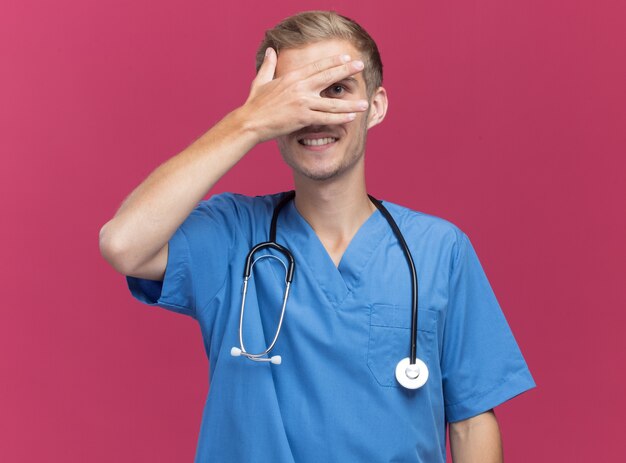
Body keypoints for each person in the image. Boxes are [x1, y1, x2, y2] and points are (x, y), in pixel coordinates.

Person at [99, 10, 535, 463]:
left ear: (377, 106)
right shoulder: (231, 235)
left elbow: (470, 421)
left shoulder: (438, 250)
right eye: (295, 97)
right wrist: (247, 123)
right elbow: (123, 244)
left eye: (337, 91)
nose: (315, 114)